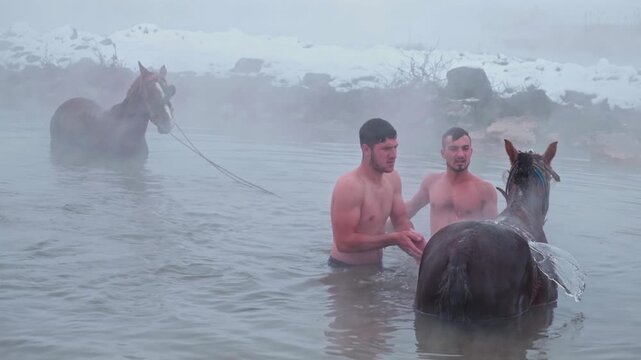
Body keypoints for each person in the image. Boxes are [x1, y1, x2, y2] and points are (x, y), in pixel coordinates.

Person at [329, 118, 427, 267]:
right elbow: (344, 243)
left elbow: (400, 221)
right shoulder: (350, 186)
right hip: (345, 271)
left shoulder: (393, 178)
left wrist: (419, 250)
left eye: (395, 147)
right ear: (366, 150)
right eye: (386, 149)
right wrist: (393, 239)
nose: (393, 155)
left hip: (376, 268)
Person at [406, 127, 498, 236]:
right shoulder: (431, 183)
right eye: (453, 149)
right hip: (437, 251)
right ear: (443, 153)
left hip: (470, 252)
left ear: (471, 152)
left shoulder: (484, 190)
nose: (460, 155)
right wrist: (384, 235)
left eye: (465, 148)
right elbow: (407, 211)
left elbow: (494, 234)